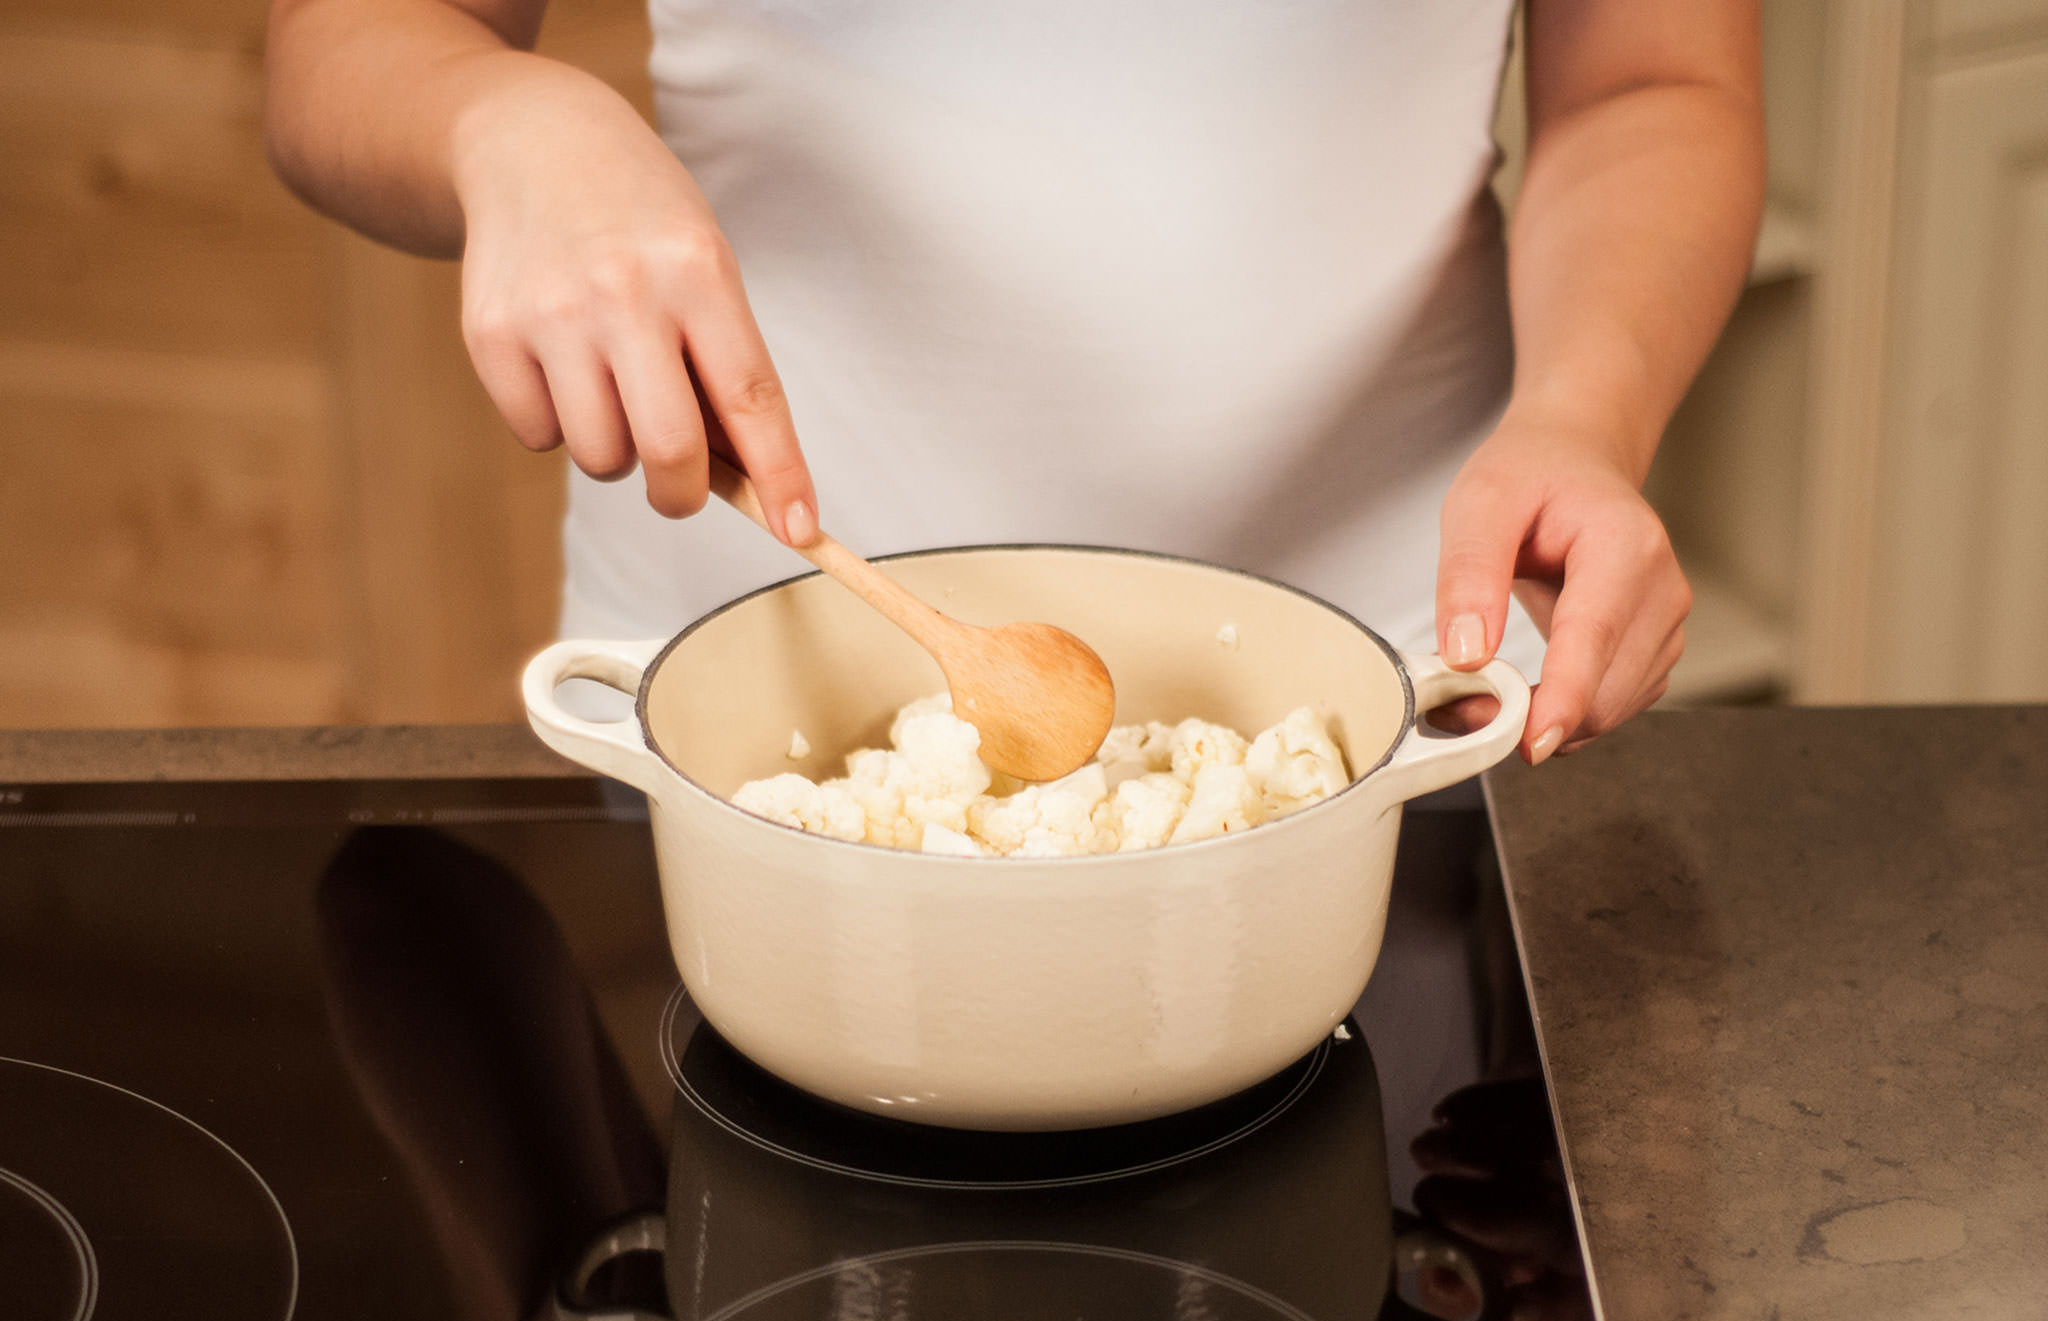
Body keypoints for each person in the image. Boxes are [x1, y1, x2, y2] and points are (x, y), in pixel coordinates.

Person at [265, 0, 1761, 764]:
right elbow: (345, 37)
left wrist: (1582, 416)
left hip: (1401, 689)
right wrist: (501, 118)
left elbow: (1649, 81)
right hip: (752, 702)